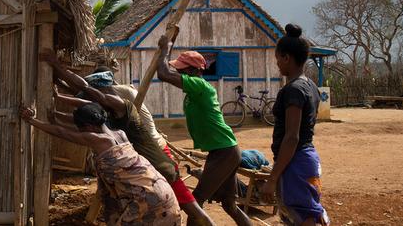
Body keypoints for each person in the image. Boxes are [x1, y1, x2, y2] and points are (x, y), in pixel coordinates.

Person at [41, 51, 214, 225]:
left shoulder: (120, 104)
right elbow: (81, 97)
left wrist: (56, 65)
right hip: (149, 169)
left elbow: (85, 91)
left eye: (95, 93)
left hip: (159, 165)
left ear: (103, 90)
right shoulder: (106, 112)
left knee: (192, 211)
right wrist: (56, 85)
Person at [20, 102, 181, 225]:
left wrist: (32, 121)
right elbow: (72, 126)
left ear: (89, 127)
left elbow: (62, 132)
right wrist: (54, 115)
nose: (80, 132)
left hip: (147, 200)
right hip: (163, 192)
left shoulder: (98, 139)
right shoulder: (119, 134)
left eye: (81, 128)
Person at [157, 35, 252, 226]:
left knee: (196, 200)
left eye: (182, 69)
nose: (178, 72)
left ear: (192, 70)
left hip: (224, 151)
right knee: (229, 204)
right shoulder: (194, 90)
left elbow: (164, 74)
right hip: (223, 150)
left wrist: (164, 49)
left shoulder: (199, 85)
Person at [261, 24, 330, 226]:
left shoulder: (294, 90)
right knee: (298, 216)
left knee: (306, 218)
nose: (277, 65)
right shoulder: (311, 86)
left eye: (278, 59)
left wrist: (272, 179)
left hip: (296, 162)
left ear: (286, 58)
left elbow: (292, 137)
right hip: (305, 159)